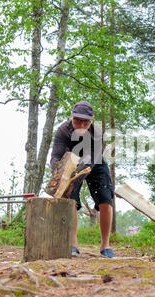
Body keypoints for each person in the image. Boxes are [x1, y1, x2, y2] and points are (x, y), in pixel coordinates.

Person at [50, 101, 115, 258]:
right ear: (72, 117)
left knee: (106, 199)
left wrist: (82, 171)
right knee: (71, 200)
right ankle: (73, 243)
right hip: (70, 164)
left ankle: (105, 244)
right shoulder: (63, 131)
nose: (81, 124)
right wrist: (59, 173)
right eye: (77, 120)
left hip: (95, 162)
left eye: (85, 122)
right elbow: (55, 156)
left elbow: (93, 157)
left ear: (91, 121)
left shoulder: (97, 132)